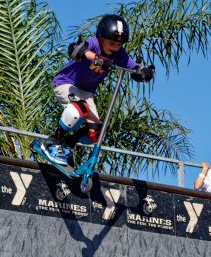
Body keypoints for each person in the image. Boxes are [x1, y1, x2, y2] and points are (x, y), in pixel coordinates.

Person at [38, 14, 154, 165]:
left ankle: (68, 144)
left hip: (86, 92)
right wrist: (99, 59)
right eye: (112, 43)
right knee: (79, 110)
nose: (116, 48)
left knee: (95, 133)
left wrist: (144, 71)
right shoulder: (94, 43)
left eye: (119, 44)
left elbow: (133, 66)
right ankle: (53, 142)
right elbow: (76, 50)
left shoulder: (119, 53)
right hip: (66, 83)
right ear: (101, 38)